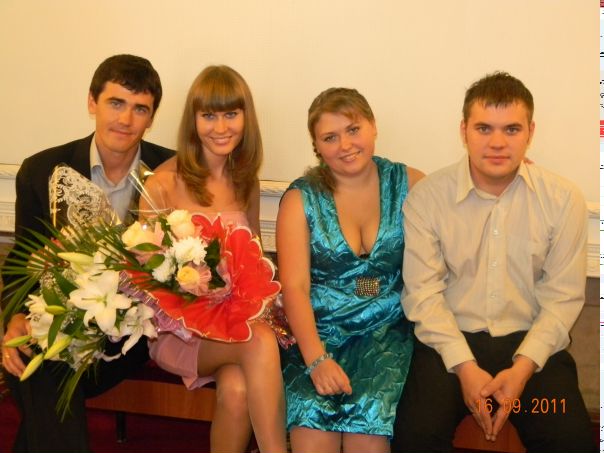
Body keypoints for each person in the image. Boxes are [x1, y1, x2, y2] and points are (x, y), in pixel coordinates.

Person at [391, 72, 595, 452]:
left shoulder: (563, 199)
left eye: (511, 129)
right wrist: (465, 368)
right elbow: (423, 295)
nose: (497, 142)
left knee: (572, 441)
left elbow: (563, 299)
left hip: (533, 347)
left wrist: (521, 372)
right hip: (448, 346)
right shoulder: (428, 199)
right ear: (464, 130)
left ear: (530, 132)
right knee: (414, 438)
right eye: (484, 128)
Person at [0, 54, 174, 452]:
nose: (125, 120)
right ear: (92, 101)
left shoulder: (172, 170)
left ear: (151, 117)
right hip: (58, 319)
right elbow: (21, 267)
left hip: (132, 334)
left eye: (140, 109)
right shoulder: (41, 171)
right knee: (36, 356)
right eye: (116, 103)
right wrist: (14, 319)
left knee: (42, 371)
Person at [139, 65, 287, 453]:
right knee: (259, 341)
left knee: (237, 390)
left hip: (234, 328)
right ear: (193, 120)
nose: (221, 127)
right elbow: (144, 281)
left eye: (230, 114)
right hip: (180, 334)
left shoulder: (245, 181)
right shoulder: (162, 183)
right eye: (209, 115)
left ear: (245, 118)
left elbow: (256, 262)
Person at [277, 87, 424, 453]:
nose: (345, 145)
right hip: (317, 332)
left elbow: (463, 204)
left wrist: (509, 172)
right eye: (330, 137)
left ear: (373, 127)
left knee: (368, 436)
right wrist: (316, 360)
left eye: (353, 129)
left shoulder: (410, 184)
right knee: (312, 432)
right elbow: (294, 287)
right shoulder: (300, 199)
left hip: (387, 334)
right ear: (316, 146)